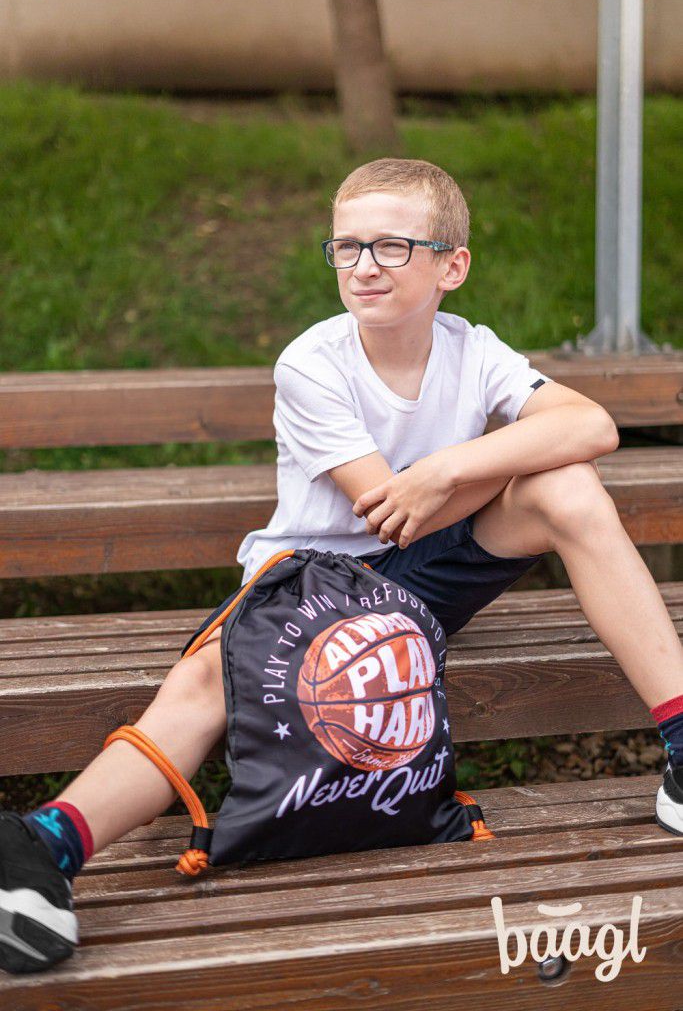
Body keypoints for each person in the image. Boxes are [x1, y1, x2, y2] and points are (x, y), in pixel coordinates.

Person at [2, 157, 682, 976]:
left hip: (417, 576)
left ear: (451, 267)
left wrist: (447, 466)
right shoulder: (312, 363)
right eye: (346, 247)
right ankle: (44, 844)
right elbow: (387, 509)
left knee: (568, 484)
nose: (363, 266)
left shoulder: (474, 350)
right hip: (314, 578)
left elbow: (591, 426)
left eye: (392, 246)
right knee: (207, 682)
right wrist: (490, 461)